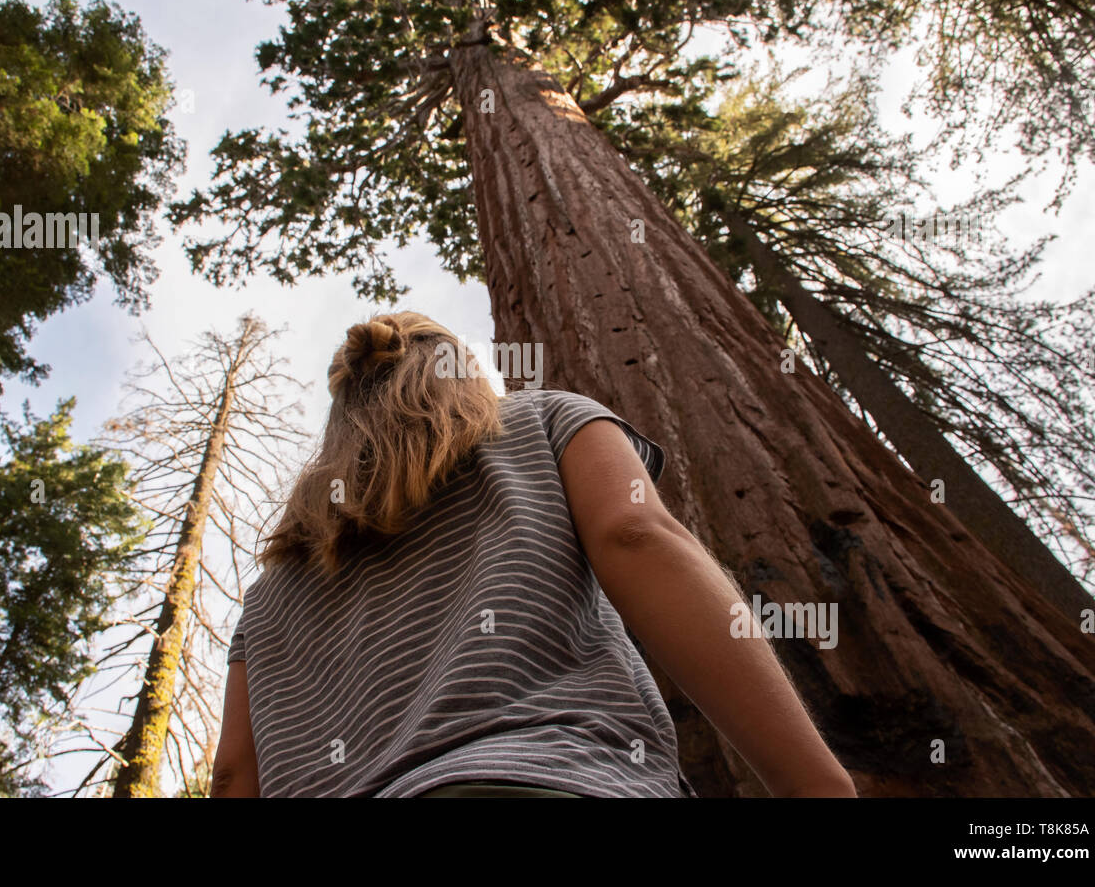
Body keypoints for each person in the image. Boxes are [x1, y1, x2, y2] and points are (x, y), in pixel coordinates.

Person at [211, 311, 855, 798]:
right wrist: (819, 787)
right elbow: (637, 536)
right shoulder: (548, 419)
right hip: (552, 778)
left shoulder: (273, 585)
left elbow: (235, 771)